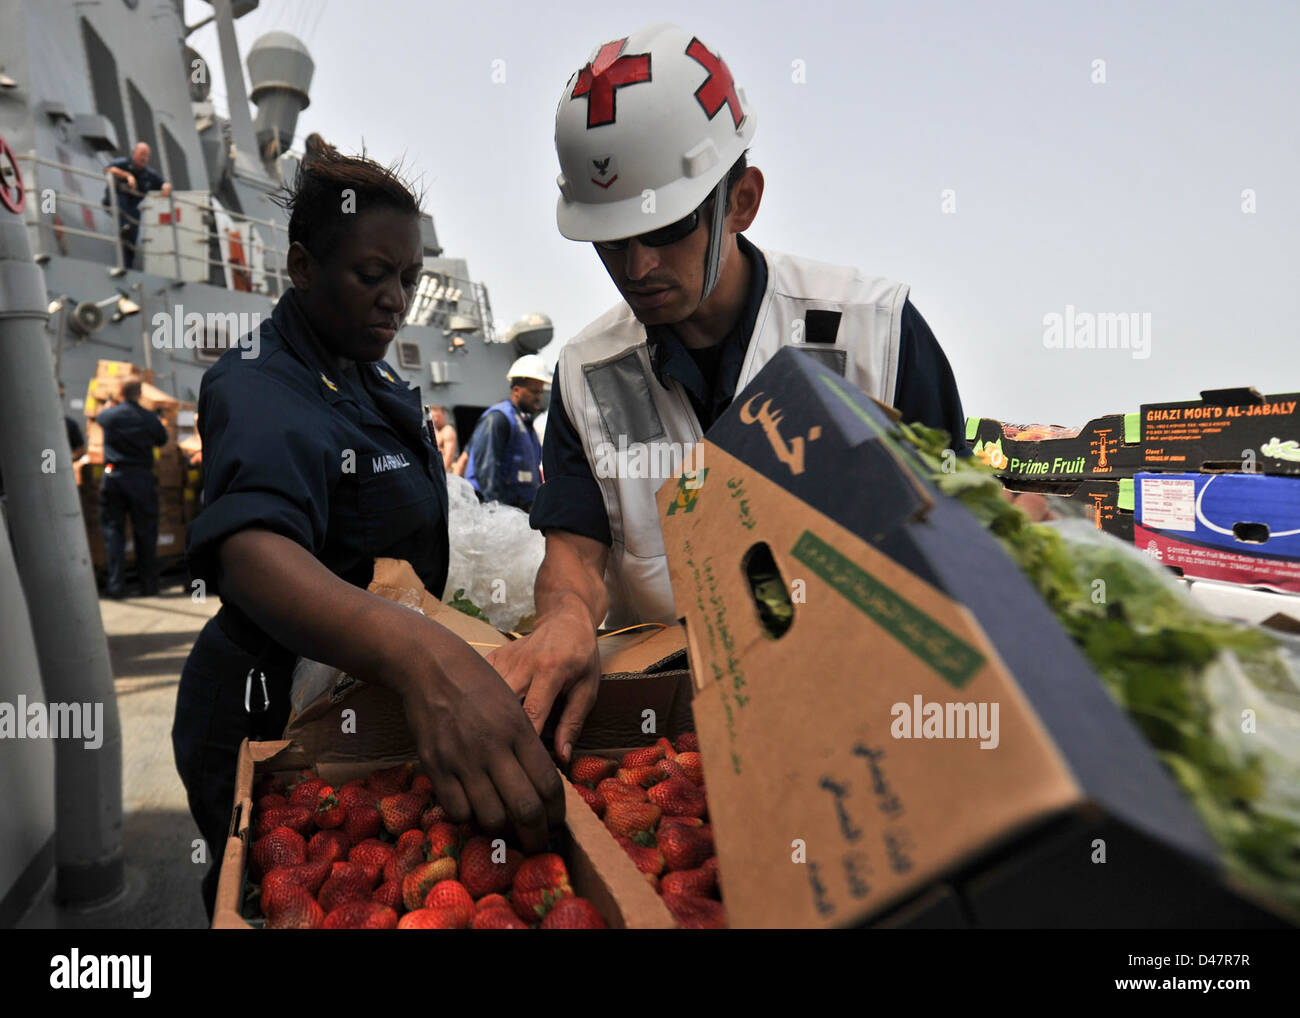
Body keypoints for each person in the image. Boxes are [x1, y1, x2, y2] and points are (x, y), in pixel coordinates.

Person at [489, 24, 972, 761]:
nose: (637, 265)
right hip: (667, 743)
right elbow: (576, 554)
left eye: (666, 229)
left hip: (860, 732)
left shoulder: (876, 333)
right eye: (611, 241)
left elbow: (954, 552)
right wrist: (562, 620)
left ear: (741, 200)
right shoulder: (587, 372)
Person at [170, 147, 563, 919]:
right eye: (372, 275)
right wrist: (422, 658)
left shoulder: (373, 375)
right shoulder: (255, 383)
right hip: (265, 709)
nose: (396, 301)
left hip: (349, 698)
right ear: (303, 265)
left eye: (409, 279)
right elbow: (253, 551)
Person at [95, 378, 168, 598]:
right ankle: (148, 586)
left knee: (113, 532)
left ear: (120, 392)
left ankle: (117, 587)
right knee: (145, 533)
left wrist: (110, 404)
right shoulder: (149, 417)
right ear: (140, 394)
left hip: (114, 476)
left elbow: (99, 418)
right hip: (141, 478)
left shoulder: (109, 415)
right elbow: (162, 440)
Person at [464, 355, 548, 511]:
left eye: (540, 392)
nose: (539, 398)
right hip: (499, 513)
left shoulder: (526, 425)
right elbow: (487, 470)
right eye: (534, 392)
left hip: (521, 512)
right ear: (516, 390)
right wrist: (496, 513)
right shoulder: (498, 419)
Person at [102, 142, 171, 269]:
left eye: (146, 155)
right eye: (141, 154)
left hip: (131, 208)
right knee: (122, 202)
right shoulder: (123, 163)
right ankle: (125, 227)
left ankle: (127, 265)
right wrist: (127, 175)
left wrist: (166, 187)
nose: (144, 158)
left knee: (134, 223)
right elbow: (108, 169)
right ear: (134, 154)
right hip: (114, 201)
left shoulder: (149, 175)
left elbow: (164, 183)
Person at [430, 404, 458, 472]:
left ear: (444, 415)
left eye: (438, 416)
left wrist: (443, 473)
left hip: (447, 470)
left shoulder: (448, 431)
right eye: (433, 417)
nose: (435, 419)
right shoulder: (434, 432)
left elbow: (449, 455)